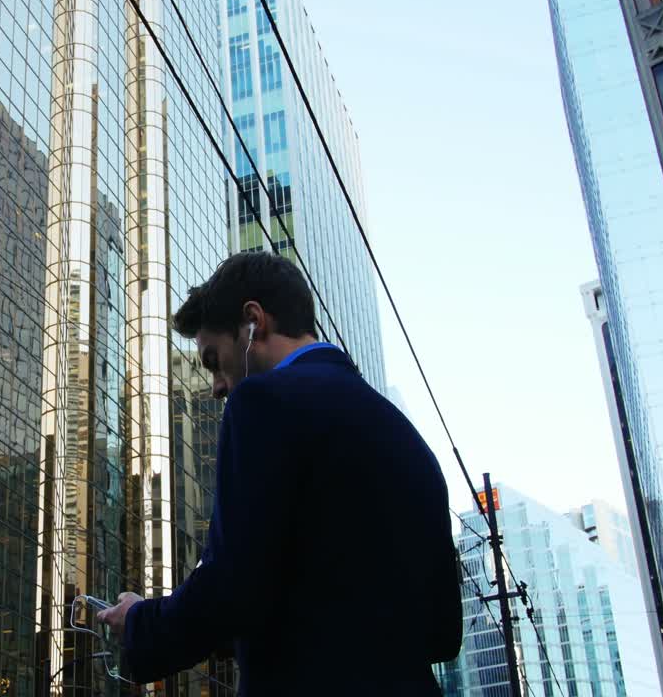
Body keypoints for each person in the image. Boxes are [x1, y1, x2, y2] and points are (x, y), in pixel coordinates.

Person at [97, 252, 461, 694]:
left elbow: (232, 583)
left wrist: (140, 621)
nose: (215, 387)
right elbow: (442, 631)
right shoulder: (412, 444)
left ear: (253, 323)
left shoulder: (262, 403)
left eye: (213, 360)